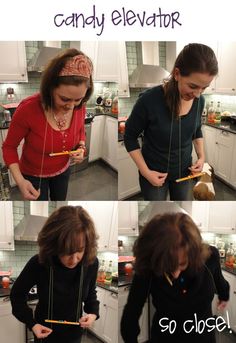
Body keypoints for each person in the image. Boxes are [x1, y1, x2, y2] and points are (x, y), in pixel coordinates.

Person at [124, 43, 218, 200]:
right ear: (177, 74)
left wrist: (201, 157)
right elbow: (129, 137)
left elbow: (196, 130)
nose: (197, 94)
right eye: (193, 86)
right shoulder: (148, 100)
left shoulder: (200, 101)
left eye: (204, 88)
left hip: (184, 172)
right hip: (154, 174)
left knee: (180, 213)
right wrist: (146, 172)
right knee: (157, 216)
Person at [120, 212, 230, 343]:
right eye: (166, 266)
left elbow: (218, 279)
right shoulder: (148, 265)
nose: (175, 274)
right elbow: (131, 315)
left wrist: (224, 295)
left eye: (182, 264)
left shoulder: (209, 256)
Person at [2, 48, 94, 200]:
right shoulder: (28, 109)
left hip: (63, 170)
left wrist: (81, 147)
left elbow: (80, 131)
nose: (71, 106)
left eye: (78, 99)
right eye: (64, 99)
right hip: (33, 175)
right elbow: (9, 147)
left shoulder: (80, 106)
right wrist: (20, 181)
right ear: (50, 88)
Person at [10, 205, 99, 343]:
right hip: (44, 334)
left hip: (74, 335)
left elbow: (90, 294)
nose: (74, 259)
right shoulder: (39, 263)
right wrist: (32, 324)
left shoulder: (91, 263)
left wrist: (93, 313)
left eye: (80, 250)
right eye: (68, 251)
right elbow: (17, 295)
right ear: (54, 245)